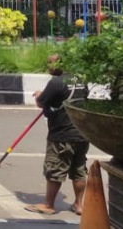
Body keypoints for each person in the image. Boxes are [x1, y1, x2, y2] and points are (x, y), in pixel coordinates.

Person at [25, 54, 89, 216]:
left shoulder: (56, 82)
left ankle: (49, 205)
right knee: (79, 170)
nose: (49, 68)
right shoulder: (81, 80)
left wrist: (39, 95)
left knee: (55, 169)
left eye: (51, 64)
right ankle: (79, 205)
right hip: (82, 133)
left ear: (60, 64)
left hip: (62, 134)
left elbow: (42, 102)